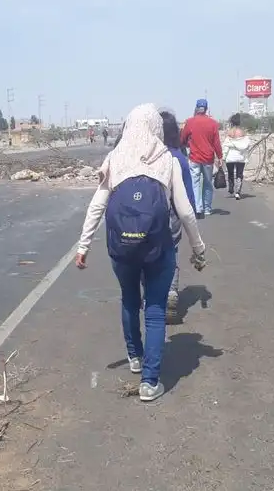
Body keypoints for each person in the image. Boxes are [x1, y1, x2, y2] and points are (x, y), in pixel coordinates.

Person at [75, 103, 207, 401]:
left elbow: (97, 206)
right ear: (155, 128)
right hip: (157, 247)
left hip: (121, 248)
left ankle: (134, 357)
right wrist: (198, 248)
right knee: (156, 309)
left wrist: (83, 246)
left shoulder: (115, 157)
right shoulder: (166, 158)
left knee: (130, 299)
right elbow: (185, 212)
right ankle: (150, 382)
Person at [157, 108, 197, 323]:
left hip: (149, 217)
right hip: (173, 215)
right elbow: (188, 194)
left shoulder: (147, 157)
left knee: (149, 254)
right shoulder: (178, 158)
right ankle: (171, 292)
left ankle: (153, 296)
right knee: (170, 252)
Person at [180, 99, 223, 216]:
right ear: (206, 109)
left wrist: (185, 145)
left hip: (194, 157)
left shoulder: (190, 122)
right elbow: (216, 142)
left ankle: (198, 208)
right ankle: (207, 208)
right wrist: (220, 157)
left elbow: (183, 138)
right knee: (208, 183)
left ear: (196, 108)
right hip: (208, 158)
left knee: (195, 183)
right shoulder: (213, 123)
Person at [223, 113, 253, 200]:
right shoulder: (243, 132)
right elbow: (247, 145)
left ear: (231, 122)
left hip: (230, 157)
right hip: (240, 158)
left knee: (230, 173)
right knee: (239, 174)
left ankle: (231, 188)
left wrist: (223, 157)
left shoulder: (230, 132)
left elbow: (226, 146)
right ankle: (238, 192)